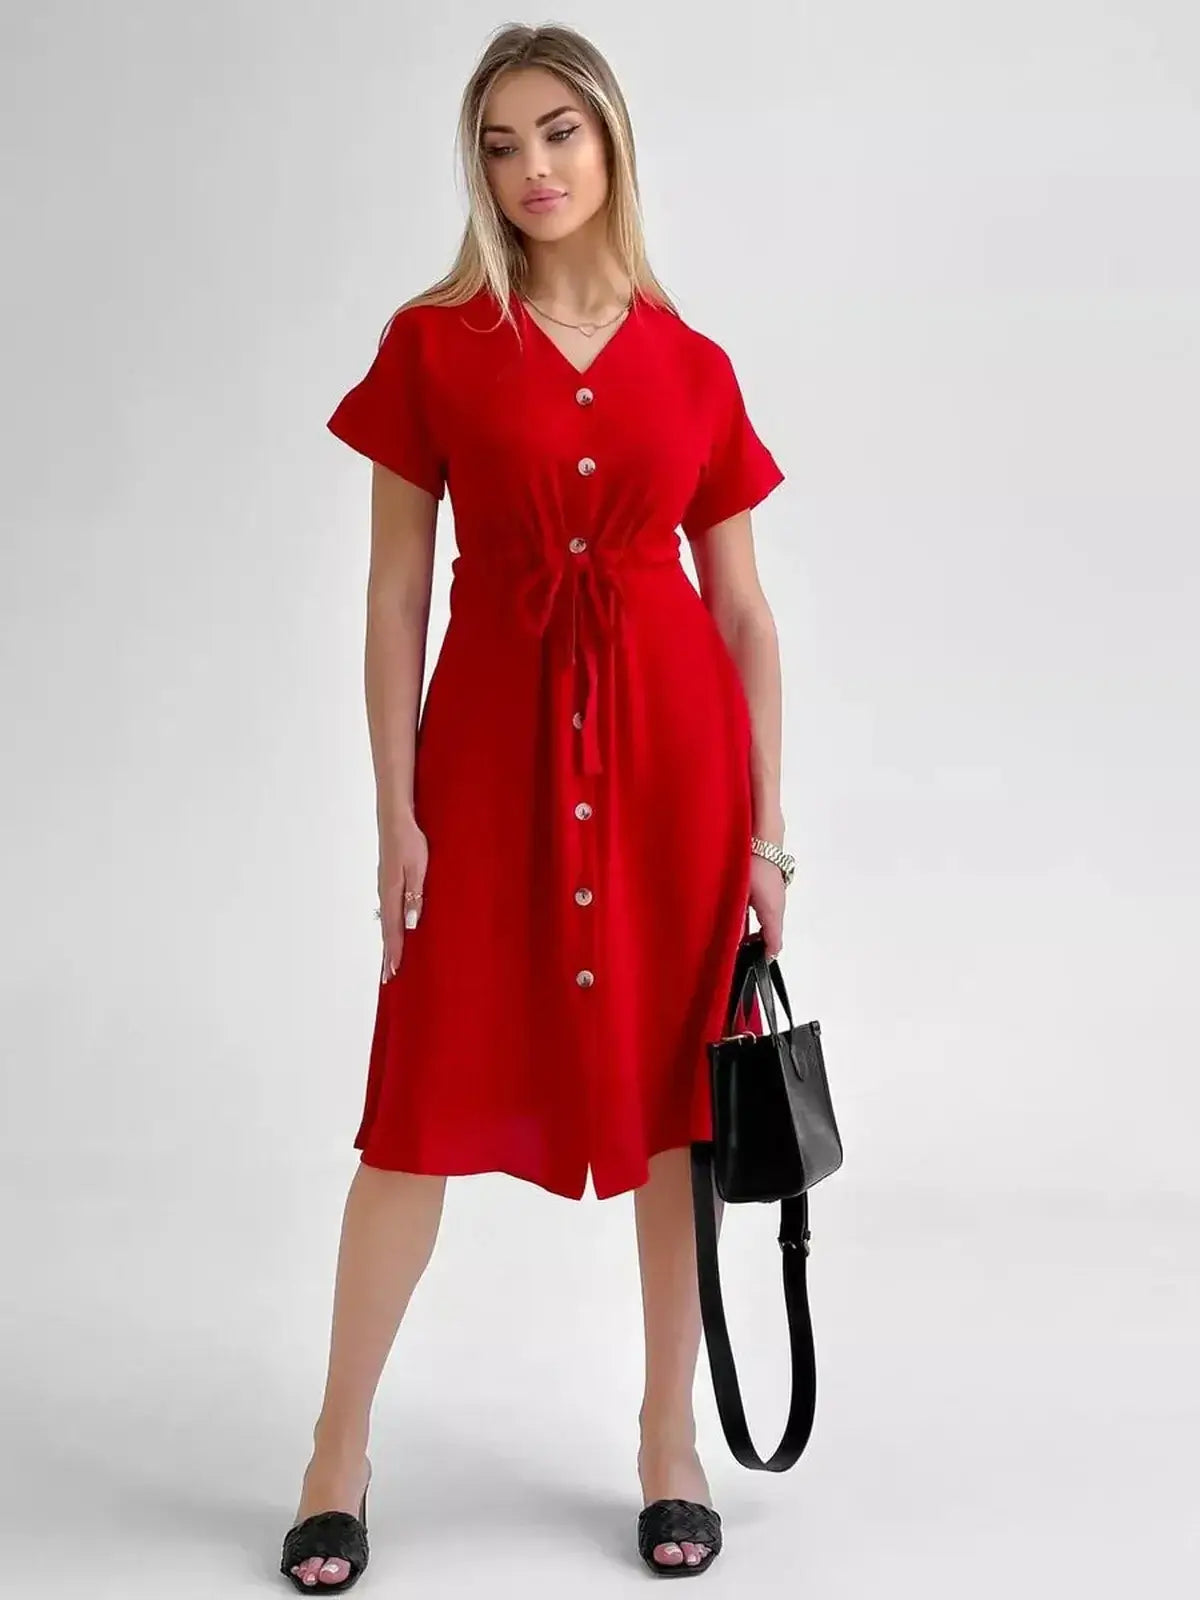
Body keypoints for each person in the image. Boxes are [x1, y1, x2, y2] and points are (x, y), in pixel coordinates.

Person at [280, 21, 794, 1591]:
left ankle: (666, 1439)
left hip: (670, 785)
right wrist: (394, 815)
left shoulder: (693, 364)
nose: (531, 171)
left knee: (669, 1121)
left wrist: (768, 835)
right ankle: (334, 1448)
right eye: (500, 146)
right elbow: (390, 594)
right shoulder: (433, 345)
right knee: (416, 1108)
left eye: (557, 134)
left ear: (612, 143)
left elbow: (746, 615)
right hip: (487, 778)